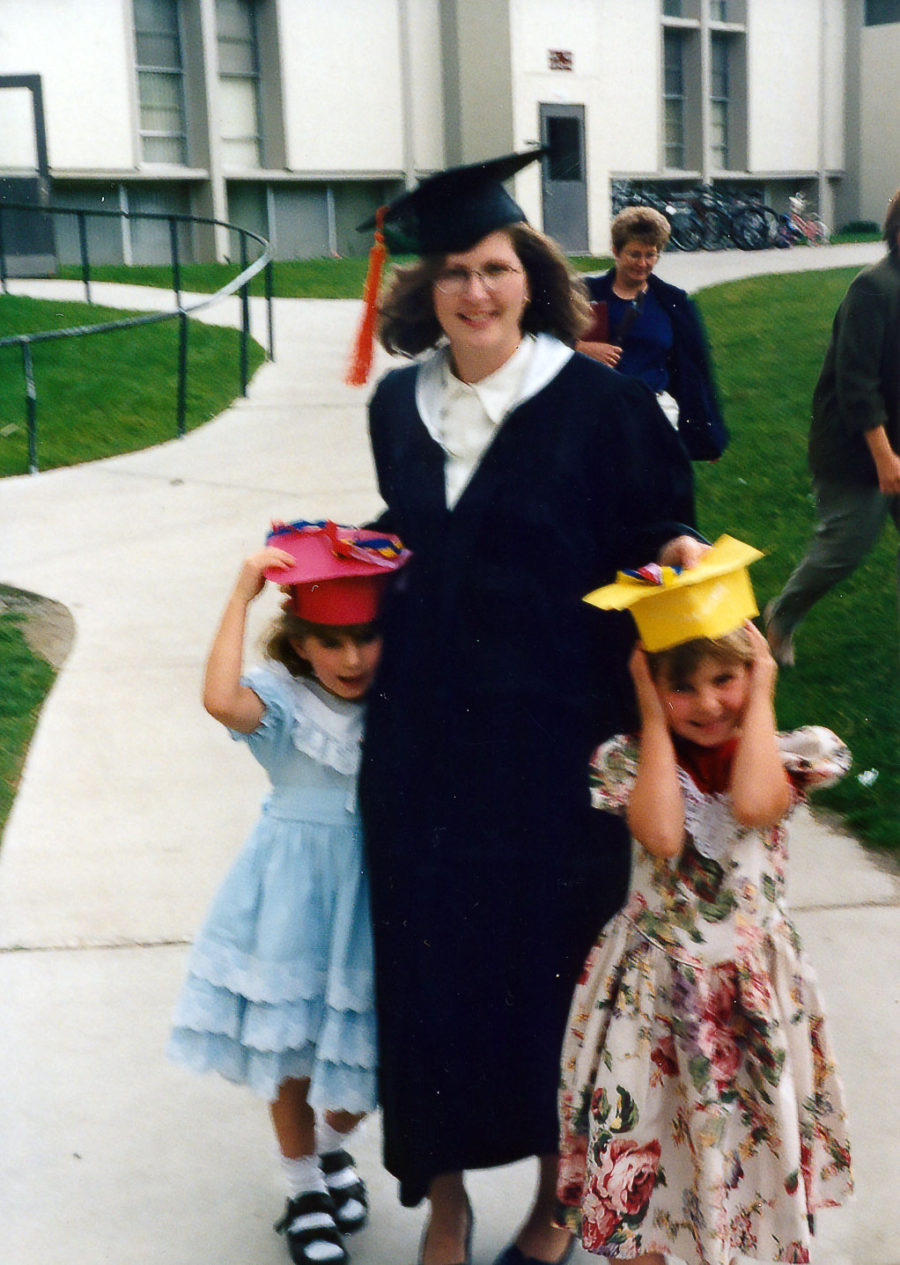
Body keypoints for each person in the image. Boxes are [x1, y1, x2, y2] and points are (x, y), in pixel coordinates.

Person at [353, 150, 706, 1265]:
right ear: (426, 290)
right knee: (428, 972)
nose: (476, 290)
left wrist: (679, 557)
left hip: (560, 741)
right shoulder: (396, 405)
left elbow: (657, 525)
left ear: (532, 273)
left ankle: (560, 1196)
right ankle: (443, 1191)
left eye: (496, 265)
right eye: (453, 271)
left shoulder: (603, 404)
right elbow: (413, 533)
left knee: (561, 970)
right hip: (421, 745)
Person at [556, 537, 853, 1265]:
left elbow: (753, 805)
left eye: (727, 678)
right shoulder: (629, 760)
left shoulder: (790, 754)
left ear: (753, 670)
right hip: (651, 1000)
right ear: (651, 685)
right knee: (644, 1157)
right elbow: (661, 833)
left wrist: (766, 689)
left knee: (743, 1165)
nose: (708, 702)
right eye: (680, 687)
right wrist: (653, 722)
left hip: (748, 1001)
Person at [167, 519, 409, 1265]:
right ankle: (304, 1185)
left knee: (367, 1058)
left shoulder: (399, 702)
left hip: (375, 895)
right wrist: (242, 593)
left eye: (365, 637)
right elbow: (218, 698)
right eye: (330, 641)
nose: (350, 657)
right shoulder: (283, 705)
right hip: (293, 896)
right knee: (293, 1049)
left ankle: (333, 1146)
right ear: (300, 641)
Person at [765, 188, 900, 666]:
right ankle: (780, 617)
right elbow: (856, 382)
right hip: (856, 447)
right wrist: (884, 456)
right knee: (844, 547)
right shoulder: (874, 288)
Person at [577, 205, 727, 461]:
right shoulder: (586, 293)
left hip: (656, 414)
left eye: (651, 255)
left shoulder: (673, 301)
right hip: (601, 416)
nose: (643, 263)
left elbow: (696, 367)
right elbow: (539, 341)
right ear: (615, 251)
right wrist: (578, 347)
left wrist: (708, 434)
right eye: (634, 254)